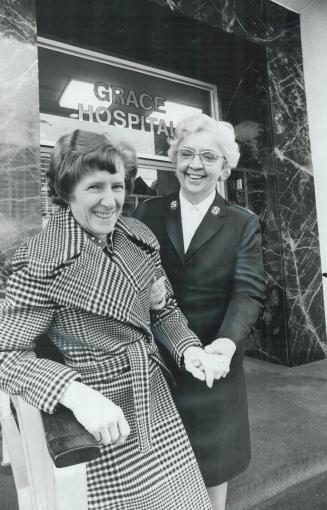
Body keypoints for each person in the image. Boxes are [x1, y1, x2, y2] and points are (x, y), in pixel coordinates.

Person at [0, 129, 226, 509]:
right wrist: (75, 393)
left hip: (156, 406)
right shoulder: (39, 262)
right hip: (101, 425)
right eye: (95, 188)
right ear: (66, 191)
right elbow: (7, 355)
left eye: (118, 186)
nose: (111, 201)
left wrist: (189, 350)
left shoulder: (137, 237)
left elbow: (164, 310)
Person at [134, 114, 266, 510]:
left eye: (208, 157)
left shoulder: (242, 223)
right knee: (158, 468)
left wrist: (225, 344)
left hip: (214, 362)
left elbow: (247, 292)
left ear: (225, 166)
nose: (195, 165)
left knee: (213, 466)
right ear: (174, 159)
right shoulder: (147, 214)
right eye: (187, 153)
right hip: (159, 361)